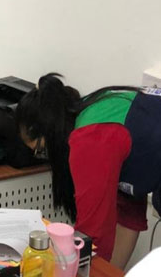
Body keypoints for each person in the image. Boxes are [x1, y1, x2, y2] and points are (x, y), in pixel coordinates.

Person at [16, 73, 161, 269]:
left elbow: (93, 236)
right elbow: (128, 217)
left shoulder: (89, 140)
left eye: (41, 151)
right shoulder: (97, 109)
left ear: (51, 133)